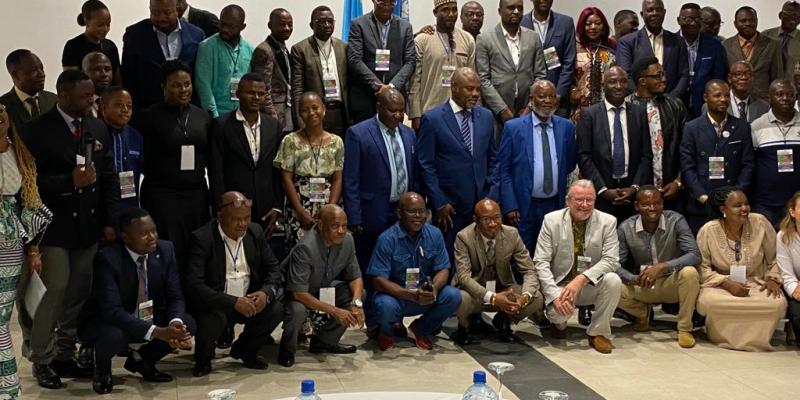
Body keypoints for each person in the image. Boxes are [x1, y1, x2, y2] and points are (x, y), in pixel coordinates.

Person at [18, 70, 119, 389]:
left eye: (93, 95)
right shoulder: (36, 131)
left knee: (79, 290)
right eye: (85, 96)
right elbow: (26, 185)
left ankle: (65, 352)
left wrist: (109, 221)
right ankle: (42, 358)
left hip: (87, 226)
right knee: (54, 290)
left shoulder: (97, 125)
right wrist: (67, 182)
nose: (92, 100)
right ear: (63, 95)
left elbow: (107, 177)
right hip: (53, 228)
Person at [78, 208, 194, 394]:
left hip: (146, 313)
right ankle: (101, 367)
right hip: (109, 321)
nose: (152, 237)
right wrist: (157, 332)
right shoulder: (107, 259)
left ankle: (143, 360)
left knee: (187, 323)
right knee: (113, 336)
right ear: (125, 237)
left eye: (153, 231)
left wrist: (175, 324)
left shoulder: (165, 250)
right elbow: (112, 311)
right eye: (143, 233)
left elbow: (175, 295)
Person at [185, 192, 285, 376]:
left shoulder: (255, 232)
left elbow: (274, 268)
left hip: (248, 298)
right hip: (217, 302)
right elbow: (194, 285)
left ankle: (245, 351)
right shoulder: (202, 238)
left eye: (247, 218)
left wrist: (264, 293)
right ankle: (203, 360)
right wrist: (232, 302)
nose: (243, 224)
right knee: (212, 318)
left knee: (276, 309)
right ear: (219, 216)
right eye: (236, 219)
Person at [130, 60, 211, 271]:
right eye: (176, 85)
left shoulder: (202, 116)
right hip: (162, 195)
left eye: (187, 84)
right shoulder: (147, 118)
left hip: (196, 195)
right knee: (166, 252)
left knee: (196, 251)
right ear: (163, 87)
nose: (183, 90)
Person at [533, 179, 622, 354]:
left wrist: (582, 279)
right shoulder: (551, 220)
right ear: (568, 200)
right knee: (560, 314)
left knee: (614, 280)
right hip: (561, 286)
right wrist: (553, 296)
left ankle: (598, 332)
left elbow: (612, 260)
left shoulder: (608, 221)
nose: (584, 205)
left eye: (589, 200)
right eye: (579, 200)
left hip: (589, 284)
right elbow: (540, 262)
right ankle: (558, 324)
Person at [417, 67, 497, 259]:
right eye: (469, 89)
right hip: (450, 209)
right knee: (450, 262)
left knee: (480, 262)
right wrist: (439, 201)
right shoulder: (433, 119)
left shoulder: (486, 116)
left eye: (478, 89)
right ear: (454, 87)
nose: (476, 94)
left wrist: (491, 196)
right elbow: (425, 164)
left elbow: (493, 159)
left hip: (481, 206)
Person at [0, 103, 52, 399]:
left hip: (9, 242)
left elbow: (29, 202)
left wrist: (33, 249)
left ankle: (7, 387)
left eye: (3, 117)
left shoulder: (17, 152)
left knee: (1, 316)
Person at [696, 187, 787, 351]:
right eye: (738, 205)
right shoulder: (708, 230)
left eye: (746, 204)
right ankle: (721, 336)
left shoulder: (760, 222)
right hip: (720, 285)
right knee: (710, 302)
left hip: (756, 283)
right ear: (723, 209)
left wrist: (773, 279)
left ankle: (759, 339)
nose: (745, 209)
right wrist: (726, 283)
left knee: (777, 303)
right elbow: (702, 268)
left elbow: (776, 257)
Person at [366, 192, 460, 350]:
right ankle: (387, 333)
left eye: (422, 211)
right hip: (397, 298)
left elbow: (443, 269)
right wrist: (411, 295)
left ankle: (421, 329)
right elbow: (378, 281)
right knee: (384, 305)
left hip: (425, 296)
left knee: (453, 295)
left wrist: (433, 290)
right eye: (412, 211)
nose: (418, 216)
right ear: (399, 213)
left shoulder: (435, 234)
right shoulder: (387, 239)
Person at [616, 187, 701, 348]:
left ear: (663, 204)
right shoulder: (625, 228)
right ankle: (642, 314)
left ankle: (684, 328)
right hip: (643, 284)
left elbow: (694, 255)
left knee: (690, 273)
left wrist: (662, 267)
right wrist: (633, 279)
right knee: (609, 282)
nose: (652, 208)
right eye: (646, 204)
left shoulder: (676, 220)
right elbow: (615, 264)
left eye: (657, 203)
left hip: (671, 282)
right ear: (636, 206)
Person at [498, 80, 576, 253]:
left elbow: (569, 163)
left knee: (551, 252)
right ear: (532, 100)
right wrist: (510, 205)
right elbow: (503, 170)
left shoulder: (566, 127)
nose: (547, 101)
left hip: (553, 204)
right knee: (523, 256)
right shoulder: (513, 127)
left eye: (551, 96)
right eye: (542, 96)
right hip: (523, 205)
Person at [281, 204, 364, 367]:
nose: (341, 231)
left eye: (344, 226)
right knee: (298, 310)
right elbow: (298, 293)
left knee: (357, 294)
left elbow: (355, 276)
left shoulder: (348, 240)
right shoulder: (305, 247)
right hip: (295, 294)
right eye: (335, 226)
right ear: (320, 225)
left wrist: (356, 303)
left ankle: (324, 341)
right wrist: (335, 311)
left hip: (323, 286)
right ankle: (287, 350)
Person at [343, 88, 416, 270]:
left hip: (403, 211)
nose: (398, 115)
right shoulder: (358, 133)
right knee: (371, 264)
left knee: (399, 263)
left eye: (401, 110)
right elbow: (351, 179)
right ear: (378, 107)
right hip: (372, 213)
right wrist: (354, 217)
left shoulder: (409, 134)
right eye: (392, 110)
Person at [453, 199, 543, 345]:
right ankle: (464, 326)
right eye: (486, 219)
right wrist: (493, 297)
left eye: (497, 218)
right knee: (459, 298)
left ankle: (504, 321)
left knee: (536, 297)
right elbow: (463, 277)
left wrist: (524, 297)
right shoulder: (463, 237)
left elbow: (529, 270)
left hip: (504, 288)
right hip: (475, 291)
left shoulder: (512, 234)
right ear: (475, 220)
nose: (493, 223)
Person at [209, 73, 283, 234]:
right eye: (251, 93)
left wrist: (277, 206)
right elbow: (216, 171)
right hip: (234, 207)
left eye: (261, 94)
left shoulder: (274, 126)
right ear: (238, 94)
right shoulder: (221, 125)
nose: (256, 97)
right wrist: (221, 207)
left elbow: (277, 171)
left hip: (266, 208)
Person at [577, 66, 652, 222]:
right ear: (603, 85)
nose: (619, 86)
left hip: (631, 192)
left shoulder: (638, 112)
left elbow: (646, 155)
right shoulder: (589, 114)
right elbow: (584, 156)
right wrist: (603, 190)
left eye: (623, 81)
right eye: (612, 82)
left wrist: (635, 187)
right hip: (601, 191)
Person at [680, 79, 754, 233]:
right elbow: (687, 167)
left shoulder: (741, 127)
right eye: (717, 95)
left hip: (733, 204)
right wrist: (703, 197)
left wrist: (735, 197)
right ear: (706, 98)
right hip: (702, 204)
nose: (723, 99)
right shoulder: (692, 128)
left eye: (727, 96)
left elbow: (747, 164)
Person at [274, 92, 343, 250]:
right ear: (299, 114)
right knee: (300, 254)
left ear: (324, 109)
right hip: (298, 207)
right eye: (305, 110)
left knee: (328, 252)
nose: (311, 113)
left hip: (327, 204)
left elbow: (338, 179)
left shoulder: (337, 142)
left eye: (315, 107)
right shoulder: (290, 140)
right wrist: (300, 211)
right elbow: (286, 179)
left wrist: (330, 210)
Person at [627, 57, 688, 210]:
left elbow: (686, 148)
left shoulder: (675, 105)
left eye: (664, 74)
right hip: (636, 192)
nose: (664, 79)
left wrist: (678, 181)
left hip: (671, 189)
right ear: (642, 81)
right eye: (658, 76)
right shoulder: (626, 107)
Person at [122, 0, 205, 110]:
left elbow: (200, 76)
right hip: (148, 111)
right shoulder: (134, 35)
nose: (161, 18)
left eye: (167, 12)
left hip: (187, 111)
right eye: (155, 12)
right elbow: (128, 77)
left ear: (177, 9)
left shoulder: (196, 35)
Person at [475, 0, 546, 125]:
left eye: (520, 8)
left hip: (527, 111)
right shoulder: (485, 39)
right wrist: (502, 109)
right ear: (499, 11)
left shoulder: (533, 37)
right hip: (496, 113)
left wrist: (530, 107)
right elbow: (483, 79)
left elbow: (540, 75)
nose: (516, 12)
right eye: (511, 8)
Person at [408, 0, 476, 130]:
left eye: (454, 9)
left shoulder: (467, 39)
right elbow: (414, 83)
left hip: (461, 114)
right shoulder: (422, 40)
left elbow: (472, 80)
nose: (451, 14)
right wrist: (415, 115)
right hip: (429, 113)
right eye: (445, 10)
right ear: (435, 12)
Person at [347, 0, 416, 124]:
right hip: (367, 98)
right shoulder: (359, 24)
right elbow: (355, 60)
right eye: (382, 2)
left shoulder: (405, 27)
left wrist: (391, 87)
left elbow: (410, 62)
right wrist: (378, 86)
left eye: (391, 3)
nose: (387, 6)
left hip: (395, 99)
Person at [291, 6, 349, 136]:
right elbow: (297, 89)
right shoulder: (300, 49)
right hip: (315, 114)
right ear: (312, 25)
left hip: (341, 113)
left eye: (330, 21)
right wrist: (301, 121)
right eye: (322, 22)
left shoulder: (343, 47)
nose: (327, 25)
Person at [616, 0, 690, 98]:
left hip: (671, 103)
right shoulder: (627, 42)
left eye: (658, 10)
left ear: (664, 13)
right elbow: (626, 75)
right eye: (650, 10)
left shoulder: (678, 41)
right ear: (642, 14)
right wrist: (642, 97)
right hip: (639, 104)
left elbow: (684, 75)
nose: (654, 13)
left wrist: (671, 99)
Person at [751, 80, 800, 226]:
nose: (785, 98)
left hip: (798, 204)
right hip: (766, 204)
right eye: (780, 94)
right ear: (769, 98)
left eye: (790, 95)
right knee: (768, 247)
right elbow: (751, 164)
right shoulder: (756, 126)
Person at [196, 5, 254, 118]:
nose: (225, 29)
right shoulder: (207, 47)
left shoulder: (250, 50)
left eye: (230, 26)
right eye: (222, 24)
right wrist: (215, 118)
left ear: (242, 27)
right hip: (217, 116)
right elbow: (204, 87)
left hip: (242, 117)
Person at [520, 0, 576, 116]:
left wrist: (558, 95)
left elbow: (569, 62)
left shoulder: (565, 23)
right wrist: (529, 102)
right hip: (526, 100)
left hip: (557, 101)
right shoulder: (520, 22)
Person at [677, 3, 728, 118]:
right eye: (688, 19)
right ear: (678, 20)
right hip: (675, 104)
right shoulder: (669, 43)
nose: (693, 23)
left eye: (697, 19)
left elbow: (719, 77)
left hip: (704, 105)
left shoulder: (714, 45)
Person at [722, 7, 783, 101]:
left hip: (763, 101)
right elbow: (723, 77)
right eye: (743, 20)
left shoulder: (773, 45)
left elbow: (777, 78)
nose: (748, 23)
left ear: (757, 21)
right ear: (735, 23)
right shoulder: (725, 45)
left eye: (752, 20)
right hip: (733, 102)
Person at [570, 7, 617, 123]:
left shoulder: (612, 47)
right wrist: (572, 91)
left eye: (598, 23)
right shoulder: (574, 48)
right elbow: (566, 74)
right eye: (588, 24)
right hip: (580, 109)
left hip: (607, 108)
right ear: (582, 26)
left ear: (603, 26)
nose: (593, 27)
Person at [100, 87, 143, 211]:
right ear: (104, 107)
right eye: (119, 105)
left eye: (129, 106)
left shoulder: (135, 135)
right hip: (102, 204)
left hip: (130, 203)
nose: (125, 110)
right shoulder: (96, 132)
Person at [251, 8, 293, 128]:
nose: (287, 28)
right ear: (270, 25)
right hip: (273, 115)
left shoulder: (282, 48)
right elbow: (263, 89)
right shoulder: (264, 50)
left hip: (287, 111)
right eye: (282, 25)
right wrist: (273, 118)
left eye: (290, 25)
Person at [62, 0, 121, 85]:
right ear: (87, 22)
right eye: (100, 25)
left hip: (108, 96)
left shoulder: (110, 46)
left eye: (108, 24)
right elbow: (70, 82)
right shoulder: (73, 46)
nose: (105, 29)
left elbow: (117, 79)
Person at [0, 50, 58, 131]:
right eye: (34, 70)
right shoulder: (2, 107)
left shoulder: (54, 101)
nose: (41, 74)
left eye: (42, 68)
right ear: (15, 75)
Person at [701, 61, 769, 122]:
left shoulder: (763, 107)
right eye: (738, 74)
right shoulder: (710, 106)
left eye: (748, 74)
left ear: (753, 78)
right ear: (729, 78)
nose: (743, 77)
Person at [777, 191, 800, 346]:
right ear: (792, 212)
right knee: (797, 314)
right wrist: (795, 290)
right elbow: (786, 274)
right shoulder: (783, 236)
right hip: (798, 286)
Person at [763, 1, 800, 80]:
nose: (793, 17)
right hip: (768, 88)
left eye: (797, 16)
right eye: (790, 13)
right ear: (780, 15)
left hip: (794, 89)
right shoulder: (765, 36)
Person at [81, 52, 113, 117]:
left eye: (107, 69)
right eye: (97, 69)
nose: (104, 74)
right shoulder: (76, 104)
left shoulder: (120, 103)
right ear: (83, 73)